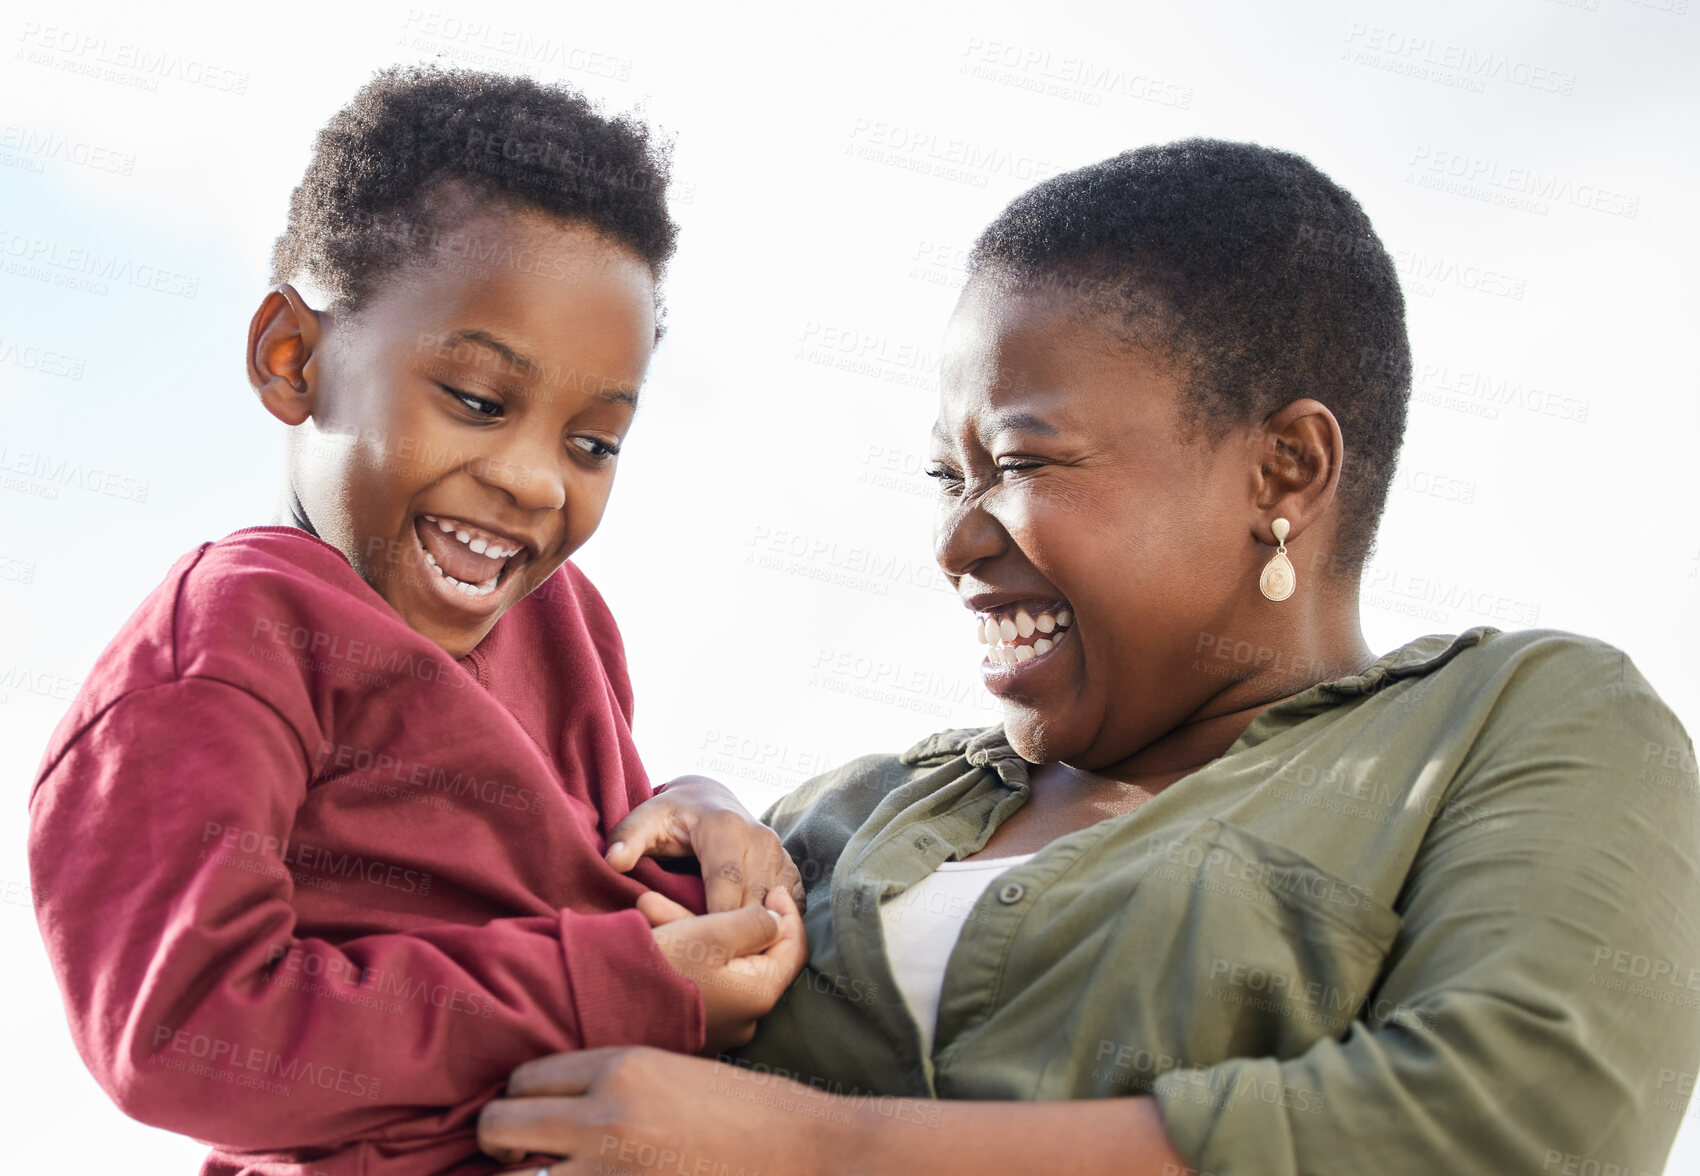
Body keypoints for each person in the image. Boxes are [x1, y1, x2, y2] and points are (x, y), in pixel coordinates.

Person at [476, 140, 1700, 1176]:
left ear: (1282, 472)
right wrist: (682, 810)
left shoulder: (1512, 723)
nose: (956, 541)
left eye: (1017, 463)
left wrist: (818, 1146)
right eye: (945, 479)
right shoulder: (856, 813)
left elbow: (1506, 1124)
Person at [27, 66, 806, 1176]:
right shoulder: (230, 639)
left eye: (592, 443)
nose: (538, 482)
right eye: (480, 403)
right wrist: (619, 990)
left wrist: (695, 806)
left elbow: (587, 862)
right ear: (292, 359)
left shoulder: (565, 619)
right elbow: (185, 1030)